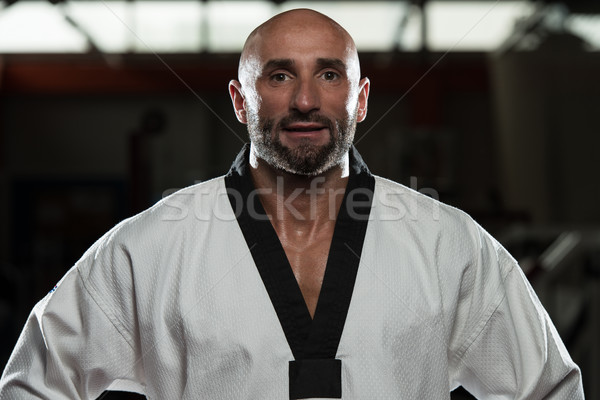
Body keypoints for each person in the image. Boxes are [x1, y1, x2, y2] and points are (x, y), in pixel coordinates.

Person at [0, 8, 584, 400]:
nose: (305, 99)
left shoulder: (448, 244)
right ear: (238, 100)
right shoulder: (150, 246)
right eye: (279, 76)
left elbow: (549, 388)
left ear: (360, 101)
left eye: (329, 75)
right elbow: (33, 384)